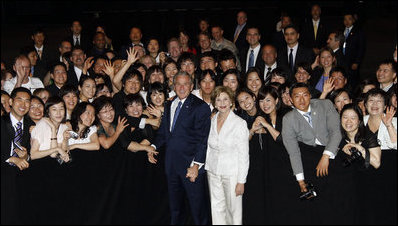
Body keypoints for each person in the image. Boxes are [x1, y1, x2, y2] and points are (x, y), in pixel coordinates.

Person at [151, 71, 211, 225]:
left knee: (198, 210)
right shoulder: (169, 104)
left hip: (191, 167)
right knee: (175, 209)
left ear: (191, 86)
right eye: (178, 84)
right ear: (174, 85)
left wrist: (196, 165)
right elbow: (165, 133)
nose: (182, 87)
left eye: (185, 84)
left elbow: (203, 139)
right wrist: (152, 146)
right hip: (172, 166)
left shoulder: (201, 107)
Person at [282, 83, 342, 224]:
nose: (301, 100)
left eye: (305, 95)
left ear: (310, 96)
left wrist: (326, 155)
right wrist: (301, 181)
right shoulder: (288, 119)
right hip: (309, 158)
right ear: (290, 99)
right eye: (297, 96)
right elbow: (293, 152)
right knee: (315, 205)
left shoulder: (325, 105)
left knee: (337, 200)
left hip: (332, 153)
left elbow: (336, 131)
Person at [255, 86, 301, 224]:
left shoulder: (287, 115)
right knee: (273, 207)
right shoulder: (261, 119)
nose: (265, 104)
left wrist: (267, 126)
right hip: (271, 170)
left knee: (291, 206)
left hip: (289, 168)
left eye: (268, 100)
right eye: (261, 101)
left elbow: (284, 141)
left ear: (276, 100)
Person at [205, 86, 249, 225]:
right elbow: (209, 148)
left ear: (231, 102)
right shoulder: (211, 121)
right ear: (214, 103)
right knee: (216, 210)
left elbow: (244, 155)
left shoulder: (239, 123)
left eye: (225, 99)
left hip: (232, 174)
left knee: (233, 212)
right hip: (213, 171)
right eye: (218, 100)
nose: (222, 103)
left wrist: (241, 181)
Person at [338, 103, 381, 224]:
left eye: (353, 118)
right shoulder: (337, 139)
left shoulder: (368, 136)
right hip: (345, 190)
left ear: (359, 120)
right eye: (345, 117)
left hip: (366, 187)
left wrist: (359, 148)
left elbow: (376, 163)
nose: (348, 121)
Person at [1, 87, 33, 224]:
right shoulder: (1, 122)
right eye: (19, 100)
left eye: (27, 101)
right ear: (10, 101)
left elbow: (32, 153)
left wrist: (26, 157)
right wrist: (10, 158)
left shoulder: (31, 126)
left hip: (21, 181)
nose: (23, 105)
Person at [342, 11, 366, 89]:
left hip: (352, 61)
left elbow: (361, 48)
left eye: (349, 19)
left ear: (353, 20)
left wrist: (357, 62)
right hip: (342, 60)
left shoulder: (358, 32)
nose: (347, 21)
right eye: (345, 19)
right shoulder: (341, 31)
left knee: (353, 80)